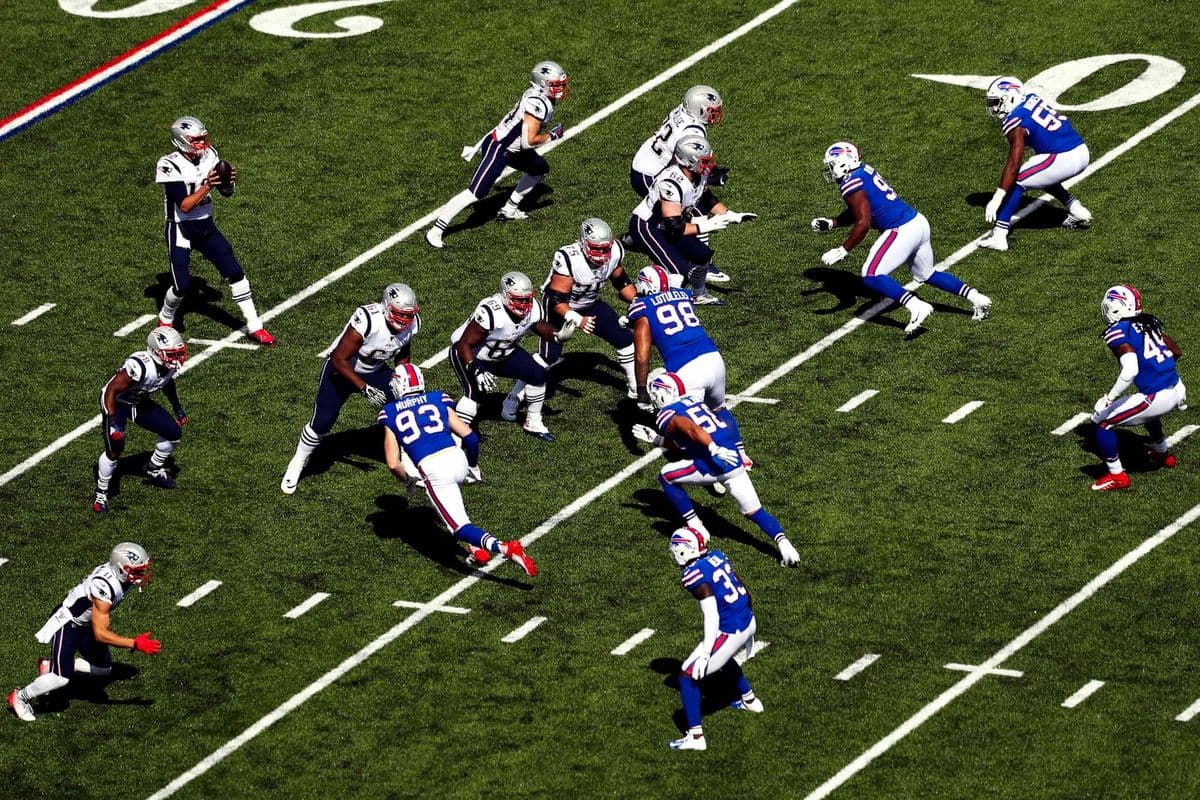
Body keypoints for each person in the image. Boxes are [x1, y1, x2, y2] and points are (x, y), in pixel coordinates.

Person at [812, 141, 991, 335]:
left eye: (832, 164)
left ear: (844, 162)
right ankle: (977, 297)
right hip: (918, 222)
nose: (830, 169)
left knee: (870, 275)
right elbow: (862, 208)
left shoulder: (850, 183)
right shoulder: (863, 171)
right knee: (926, 274)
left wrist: (843, 249)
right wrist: (833, 223)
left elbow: (863, 221)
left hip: (901, 229)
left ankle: (916, 306)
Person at [379, 365, 537, 575]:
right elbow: (470, 437)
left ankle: (506, 548)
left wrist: (407, 480)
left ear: (399, 385)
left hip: (434, 469)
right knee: (448, 504)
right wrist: (472, 464)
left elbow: (392, 463)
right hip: (457, 459)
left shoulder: (389, 413)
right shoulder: (437, 398)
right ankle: (476, 548)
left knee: (459, 527)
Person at [635, 370, 800, 566]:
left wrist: (713, 448)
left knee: (666, 477)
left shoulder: (666, 415)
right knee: (755, 511)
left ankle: (696, 526)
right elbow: (693, 437)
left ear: (660, 395)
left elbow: (691, 428)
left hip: (712, 462)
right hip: (732, 458)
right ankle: (785, 545)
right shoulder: (693, 400)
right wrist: (658, 440)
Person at [281, 284, 420, 494]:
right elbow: (339, 358)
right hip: (342, 371)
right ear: (386, 307)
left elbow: (403, 351)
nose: (404, 320)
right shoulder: (368, 319)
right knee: (323, 422)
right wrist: (364, 388)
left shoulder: (412, 324)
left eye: (408, 315)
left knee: (405, 405)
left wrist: (401, 375)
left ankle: (408, 459)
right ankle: (297, 462)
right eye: (400, 314)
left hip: (375, 370)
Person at [8, 543, 161, 722]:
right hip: (69, 623)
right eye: (136, 571)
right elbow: (101, 634)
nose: (140, 575)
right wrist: (134, 643)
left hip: (86, 624)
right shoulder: (105, 586)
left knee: (103, 669)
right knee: (60, 679)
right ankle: (20, 697)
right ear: (121, 568)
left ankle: (50, 666)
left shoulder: (119, 577)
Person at [155, 116, 274, 345]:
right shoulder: (169, 164)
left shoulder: (211, 155)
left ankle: (255, 326)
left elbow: (228, 193)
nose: (202, 144)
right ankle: (166, 316)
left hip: (206, 226)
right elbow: (185, 205)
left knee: (235, 272)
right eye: (197, 140)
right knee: (182, 286)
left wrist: (227, 183)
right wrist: (209, 184)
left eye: (202, 139)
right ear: (182, 141)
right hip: (180, 228)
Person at [425, 61, 569, 248]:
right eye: (555, 85)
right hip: (500, 149)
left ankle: (509, 208)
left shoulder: (541, 98)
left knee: (539, 169)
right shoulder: (537, 103)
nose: (560, 89)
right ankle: (435, 230)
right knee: (475, 193)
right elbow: (528, 141)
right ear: (542, 84)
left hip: (514, 148)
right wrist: (552, 136)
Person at [627, 135, 756, 306]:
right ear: (687, 162)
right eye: (704, 161)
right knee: (676, 270)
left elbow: (707, 198)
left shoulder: (698, 175)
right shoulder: (671, 182)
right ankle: (662, 308)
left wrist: (731, 215)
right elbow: (674, 228)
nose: (709, 165)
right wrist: (705, 225)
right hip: (648, 226)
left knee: (702, 255)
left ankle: (699, 295)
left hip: (669, 225)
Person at [523, 217, 638, 405]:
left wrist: (638, 302)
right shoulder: (570, 258)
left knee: (624, 339)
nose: (602, 254)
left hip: (590, 303)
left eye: (605, 248)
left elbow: (620, 280)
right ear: (584, 243)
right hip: (557, 308)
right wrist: (578, 320)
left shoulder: (615, 250)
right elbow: (556, 299)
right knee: (548, 357)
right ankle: (514, 398)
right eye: (596, 248)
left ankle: (635, 388)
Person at [665, 527, 762, 751]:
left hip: (730, 630)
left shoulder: (693, 575)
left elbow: (711, 615)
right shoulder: (716, 555)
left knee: (687, 675)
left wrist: (706, 652)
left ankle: (696, 737)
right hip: (747, 619)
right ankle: (750, 700)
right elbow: (744, 589)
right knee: (724, 657)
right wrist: (750, 623)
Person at [448, 271, 573, 442]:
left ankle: (533, 421)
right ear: (505, 296)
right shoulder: (491, 311)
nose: (524, 304)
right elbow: (463, 344)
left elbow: (539, 326)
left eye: (527, 299)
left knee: (537, 373)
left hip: (503, 353)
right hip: (469, 355)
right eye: (519, 299)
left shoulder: (533, 308)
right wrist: (475, 368)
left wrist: (557, 335)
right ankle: (456, 439)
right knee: (475, 396)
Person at [1089, 285, 1187, 491]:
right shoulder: (1149, 322)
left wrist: (1109, 397)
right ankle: (1162, 452)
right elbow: (1176, 351)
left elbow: (1130, 369)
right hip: (1177, 388)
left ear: (1118, 307)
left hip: (1156, 397)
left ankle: (1117, 476)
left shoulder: (1117, 330)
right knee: (1146, 408)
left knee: (1102, 423)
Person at [629, 86, 731, 284]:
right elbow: (685, 161)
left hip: (644, 163)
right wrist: (709, 177)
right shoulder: (694, 130)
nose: (716, 115)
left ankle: (638, 238)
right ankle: (703, 263)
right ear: (700, 110)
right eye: (712, 111)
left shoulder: (683, 112)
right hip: (652, 173)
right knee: (692, 213)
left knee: (671, 211)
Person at [979, 76, 1091, 251]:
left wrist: (998, 196)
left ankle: (999, 235)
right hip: (1080, 150)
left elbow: (1014, 161)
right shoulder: (1031, 98)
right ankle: (1075, 208)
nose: (994, 107)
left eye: (996, 102)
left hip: (1064, 157)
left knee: (1017, 181)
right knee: (1039, 173)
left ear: (1011, 97)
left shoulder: (1014, 121)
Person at [93, 327, 189, 513]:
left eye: (177, 353)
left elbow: (167, 383)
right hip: (117, 402)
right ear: (155, 352)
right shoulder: (140, 365)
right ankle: (101, 493)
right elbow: (112, 391)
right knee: (115, 449)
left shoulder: (166, 365)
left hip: (137, 401)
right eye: (171, 354)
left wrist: (177, 407)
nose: (176, 358)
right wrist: (113, 423)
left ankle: (152, 468)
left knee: (173, 433)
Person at [628, 264, 726, 412]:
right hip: (714, 359)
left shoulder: (643, 306)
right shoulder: (684, 295)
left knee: (683, 425)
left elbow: (642, 356)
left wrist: (641, 391)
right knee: (718, 415)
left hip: (686, 370)